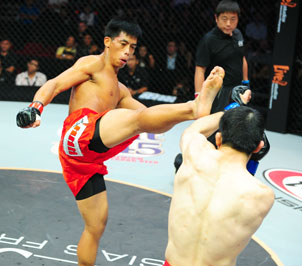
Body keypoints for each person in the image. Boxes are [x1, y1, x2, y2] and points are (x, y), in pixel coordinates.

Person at [16, 16, 225, 266]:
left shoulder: (121, 90)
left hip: (84, 161)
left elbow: (153, 122)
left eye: (133, 48)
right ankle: (194, 107)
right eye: (123, 44)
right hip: (79, 133)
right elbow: (55, 83)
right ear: (107, 42)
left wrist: (223, 115)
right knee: (138, 120)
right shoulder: (91, 64)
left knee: (95, 226)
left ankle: (200, 110)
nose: (128, 52)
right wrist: (36, 107)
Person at [164, 106, 275, 266]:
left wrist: (232, 109)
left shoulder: (194, 154)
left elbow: (195, 130)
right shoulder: (264, 195)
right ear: (258, 147)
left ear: (218, 138)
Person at [194, 0, 249, 113]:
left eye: (233, 19)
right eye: (224, 19)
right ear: (216, 18)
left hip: (237, 90)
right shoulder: (208, 40)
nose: (228, 23)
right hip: (217, 92)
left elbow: (242, 59)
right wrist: (198, 97)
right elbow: (200, 69)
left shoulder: (238, 34)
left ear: (238, 19)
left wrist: (246, 84)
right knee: (215, 126)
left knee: (236, 126)